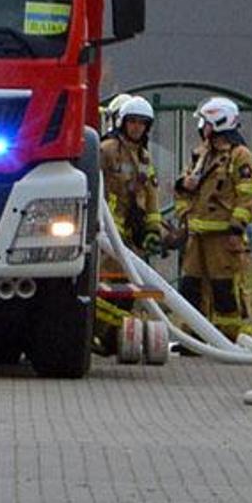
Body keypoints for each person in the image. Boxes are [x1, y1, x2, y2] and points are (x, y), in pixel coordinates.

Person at [172, 96, 252, 343]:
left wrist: (236, 229)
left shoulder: (239, 155)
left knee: (224, 289)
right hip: (196, 237)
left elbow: (249, 196)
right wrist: (184, 194)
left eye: (205, 122)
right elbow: (181, 190)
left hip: (223, 239)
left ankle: (227, 338)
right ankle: (193, 337)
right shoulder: (200, 154)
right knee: (190, 288)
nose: (202, 128)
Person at [95, 95, 160, 355]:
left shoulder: (144, 158)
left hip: (131, 238)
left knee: (127, 292)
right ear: (123, 122)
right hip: (107, 234)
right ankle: (96, 334)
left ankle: (113, 339)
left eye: (141, 123)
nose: (136, 128)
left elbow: (152, 197)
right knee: (103, 287)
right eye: (132, 122)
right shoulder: (107, 149)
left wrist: (153, 230)